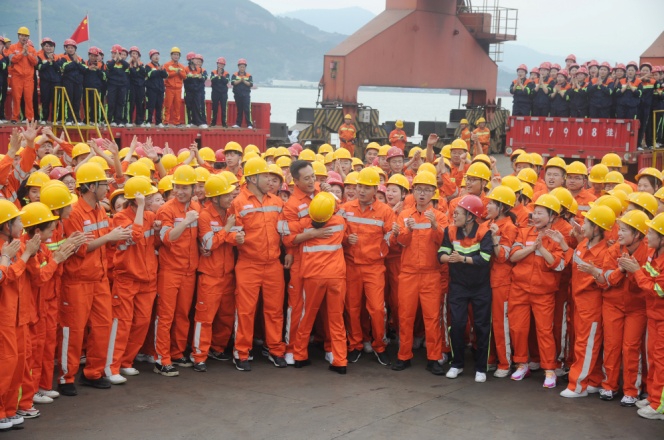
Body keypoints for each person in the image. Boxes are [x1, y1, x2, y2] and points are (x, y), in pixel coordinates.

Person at [57, 162, 132, 397]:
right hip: (77, 281)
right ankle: (66, 377)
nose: (107, 188)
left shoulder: (99, 208)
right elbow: (80, 249)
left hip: (98, 278)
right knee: (74, 331)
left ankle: (93, 372)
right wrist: (109, 237)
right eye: (103, 184)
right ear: (91, 186)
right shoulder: (74, 212)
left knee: (102, 327)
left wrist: (116, 236)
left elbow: (104, 239)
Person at [228, 157, 287, 371]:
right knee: (245, 311)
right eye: (265, 176)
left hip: (273, 264)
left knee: (274, 310)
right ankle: (241, 352)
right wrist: (235, 238)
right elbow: (230, 232)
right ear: (253, 178)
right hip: (248, 264)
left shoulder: (277, 202)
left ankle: (275, 350)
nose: (270, 180)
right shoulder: (238, 203)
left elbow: (285, 232)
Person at [391, 171, 447, 375]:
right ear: (413, 192)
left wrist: (435, 226)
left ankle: (434, 357)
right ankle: (403, 355)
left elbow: (445, 243)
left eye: (427, 190)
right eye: (419, 189)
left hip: (431, 274)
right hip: (409, 273)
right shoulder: (404, 215)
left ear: (433, 193)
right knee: (405, 316)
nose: (422, 194)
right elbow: (400, 242)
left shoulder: (440, 216)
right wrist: (408, 230)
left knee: (432, 318)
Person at [106, 177, 160, 384]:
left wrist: (156, 225)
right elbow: (135, 235)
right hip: (127, 278)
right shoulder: (120, 217)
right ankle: (112, 366)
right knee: (122, 323)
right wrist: (141, 209)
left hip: (147, 279)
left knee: (142, 322)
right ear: (138, 199)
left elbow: (153, 242)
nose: (150, 199)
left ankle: (126, 361)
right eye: (147, 196)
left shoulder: (149, 216)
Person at [508, 194, 566, 388]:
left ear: (552, 216)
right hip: (519, 288)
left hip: (544, 292)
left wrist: (542, 249)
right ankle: (521, 364)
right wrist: (533, 248)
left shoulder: (556, 237)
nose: (536, 216)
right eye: (535, 212)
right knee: (518, 328)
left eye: (541, 213)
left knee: (544, 331)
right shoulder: (524, 232)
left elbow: (559, 265)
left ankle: (549, 369)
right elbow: (513, 256)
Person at [340, 167, 395, 365]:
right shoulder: (345, 208)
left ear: (375, 190)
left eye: (366, 187)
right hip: (351, 265)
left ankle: (380, 345)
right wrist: (346, 239)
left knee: (377, 309)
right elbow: (337, 233)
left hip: (374, 267)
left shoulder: (385, 211)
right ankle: (355, 345)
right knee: (352, 308)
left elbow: (392, 238)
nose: (361, 191)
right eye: (359, 186)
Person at [560, 205, 615, 398]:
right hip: (579, 301)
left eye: (587, 223)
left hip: (592, 305)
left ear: (597, 228)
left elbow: (606, 280)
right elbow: (575, 263)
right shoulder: (584, 244)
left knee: (585, 344)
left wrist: (595, 272)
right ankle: (593, 380)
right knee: (586, 343)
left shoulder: (605, 252)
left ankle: (578, 385)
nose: (583, 226)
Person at [289, 192, 348, 373]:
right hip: (335, 276)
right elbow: (338, 210)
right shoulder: (339, 222)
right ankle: (340, 361)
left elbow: (288, 238)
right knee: (336, 319)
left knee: (307, 316)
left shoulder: (305, 224)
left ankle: (299, 356)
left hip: (313, 277)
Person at [439, 194, 493, 382]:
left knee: (482, 326)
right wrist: (448, 258)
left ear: (470, 216)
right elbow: (442, 252)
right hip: (458, 285)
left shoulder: (484, 232)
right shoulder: (450, 230)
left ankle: (481, 368)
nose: (454, 216)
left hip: (480, 286)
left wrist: (461, 259)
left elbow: (485, 258)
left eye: (458, 213)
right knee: (457, 325)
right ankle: (457, 364)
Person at [597, 210, 649, 404]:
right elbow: (607, 280)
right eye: (619, 229)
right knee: (611, 345)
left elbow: (646, 283)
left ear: (637, 234)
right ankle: (609, 386)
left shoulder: (648, 252)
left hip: (638, 307)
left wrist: (634, 271)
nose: (619, 233)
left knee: (631, 347)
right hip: (613, 304)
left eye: (624, 230)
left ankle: (631, 390)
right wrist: (621, 270)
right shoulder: (614, 250)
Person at [154, 165, 201, 377]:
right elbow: (167, 238)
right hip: (170, 270)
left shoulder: (196, 207)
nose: (180, 191)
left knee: (182, 314)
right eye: (177, 187)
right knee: (166, 315)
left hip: (189, 271)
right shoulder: (167, 209)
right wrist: (187, 221)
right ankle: (161, 359)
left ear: (193, 189)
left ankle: (177, 352)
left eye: (184, 187)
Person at [191, 174, 240, 371]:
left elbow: (238, 236)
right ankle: (199, 356)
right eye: (226, 195)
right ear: (215, 197)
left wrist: (227, 235)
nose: (231, 197)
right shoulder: (205, 216)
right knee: (205, 317)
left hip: (228, 274)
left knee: (226, 316)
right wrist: (226, 230)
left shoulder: (230, 212)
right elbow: (209, 244)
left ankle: (217, 348)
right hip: (210, 275)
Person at [0, 199, 41, 431]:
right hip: (4, 317)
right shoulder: (5, 249)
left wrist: (31, 254)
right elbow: (5, 277)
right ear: (7, 225)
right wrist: (22, 258)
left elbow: (35, 274)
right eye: (18, 221)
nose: (22, 225)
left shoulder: (17, 245)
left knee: (17, 365)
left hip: (18, 316)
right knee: (5, 366)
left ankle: (8, 409)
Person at [278, 160, 320, 365]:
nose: (312, 181)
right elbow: (288, 238)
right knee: (296, 307)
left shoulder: (321, 194)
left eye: (313, 176)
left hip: (322, 261)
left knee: (319, 307)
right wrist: (311, 230)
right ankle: (291, 348)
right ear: (295, 181)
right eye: (307, 178)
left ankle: (320, 346)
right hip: (300, 261)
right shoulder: (291, 205)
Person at [631, 212, 664, 420]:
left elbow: (657, 290)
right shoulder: (654, 252)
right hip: (654, 315)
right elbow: (649, 274)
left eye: (651, 232)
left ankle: (659, 406)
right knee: (653, 358)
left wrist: (636, 271)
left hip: (661, 317)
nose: (647, 235)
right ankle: (653, 396)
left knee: (661, 362)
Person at [484, 186, 518, 377]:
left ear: (502, 207)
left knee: (500, 322)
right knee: (486, 321)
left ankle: (504, 363)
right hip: (486, 279)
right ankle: (490, 358)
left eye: (491, 203)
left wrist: (495, 237)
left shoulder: (509, 227)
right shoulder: (488, 223)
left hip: (501, 281)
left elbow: (503, 256)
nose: (487, 206)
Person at [7, 27, 38, 122]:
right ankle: (15, 118)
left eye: (26, 36)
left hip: (28, 78)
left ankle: (29, 118)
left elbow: (35, 62)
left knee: (28, 99)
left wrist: (27, 53)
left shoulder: (32, 49)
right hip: (17, 77)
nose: (24, 38)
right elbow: (12, 59)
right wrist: (22, 53)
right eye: (22, 35)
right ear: (18, 36)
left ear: (28, 37)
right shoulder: (13, 47)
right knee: (16, 98)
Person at [36, 38, 61, 124]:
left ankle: (54, 119)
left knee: (55, 101)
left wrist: (53, 61)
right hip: (45, 82)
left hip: (56, 82)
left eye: (50, 46)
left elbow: (59, 68)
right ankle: (44, 119)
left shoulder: (57, 57)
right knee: (44, 100)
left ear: (53, 48)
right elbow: (39, 67)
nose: (48, 48)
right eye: (46, 46)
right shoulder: (39, 56)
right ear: (43, 47)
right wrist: (48, 62)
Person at [144, 50, 167, 128]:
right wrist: (158, 70)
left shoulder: (161, 66)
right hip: (151, 90)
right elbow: (149, 74)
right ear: (151, 57)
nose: (156, 57)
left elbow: (166, 75)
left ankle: (158, 122)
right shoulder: (148, 66)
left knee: (159, 106)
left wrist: (162, 70)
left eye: (157, 55)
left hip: (160, 90)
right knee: (150, 106)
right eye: (154, 55)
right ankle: (148, 121)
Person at [163, 47, 186, 126]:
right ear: (171, 55)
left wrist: (179, 72)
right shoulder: (167, 65)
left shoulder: (181, 66)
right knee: (167, 105)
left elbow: (184, 77)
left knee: (177, 106)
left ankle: (176, 122)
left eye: (177, 55)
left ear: (179, 56)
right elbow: (166, 75)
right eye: (174, 54)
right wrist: (176, 72)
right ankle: (165, 121)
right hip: (169, 88)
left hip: (178, 89)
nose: (176, 56)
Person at [83, 47, 106, 125]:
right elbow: (82, 72)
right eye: (91, 55)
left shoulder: (101, 65)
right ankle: (86, 120)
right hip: (86, 87)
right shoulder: (85, 63)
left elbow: (104, 76)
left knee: (95, 104)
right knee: (86, 104)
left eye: (95, 56)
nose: (93, 57)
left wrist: (97, 69)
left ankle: (95, 120)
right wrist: (88, 69)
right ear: (89, 55)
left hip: (96, 88)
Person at [231, 58, 253, 128]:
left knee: (247, 109)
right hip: (237, 94)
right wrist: (240, 80)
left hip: (246, 95)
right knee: (239, 109)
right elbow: (233, 83)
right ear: (238, 67)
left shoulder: (249, 75)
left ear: (245, 67)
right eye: (241, 67)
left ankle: (249, 124)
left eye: (243, 67)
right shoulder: (235, 75)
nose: (242, 68)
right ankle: (238, 124)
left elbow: (250, 84)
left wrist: (244, 81)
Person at [127, 47, 146, 127]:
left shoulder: (141, 64)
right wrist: (133, 66)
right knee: (131, 103)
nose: (134, 55)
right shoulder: (128, 65)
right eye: (132, 54)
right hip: (131, 86)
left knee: (140, 104)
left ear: (138, 55)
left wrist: (138, 64)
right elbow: (132, 74)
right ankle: (129, 121)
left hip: (140, 87)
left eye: (135, 54)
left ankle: (139, 121)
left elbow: (144, 73)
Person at [210, 57, 230, 127]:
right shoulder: (213, 72)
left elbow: (226, 81)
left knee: (224, 108)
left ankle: (224, 123)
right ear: (217, 64)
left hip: (223, 93)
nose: (221, 65)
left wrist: (221, 76)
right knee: (214, 107)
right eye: (219, 64)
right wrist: (217, 76)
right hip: (215, 92)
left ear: (224, 65)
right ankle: (213, 122)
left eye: (222, 64)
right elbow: (212, 80)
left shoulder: (226, 73)